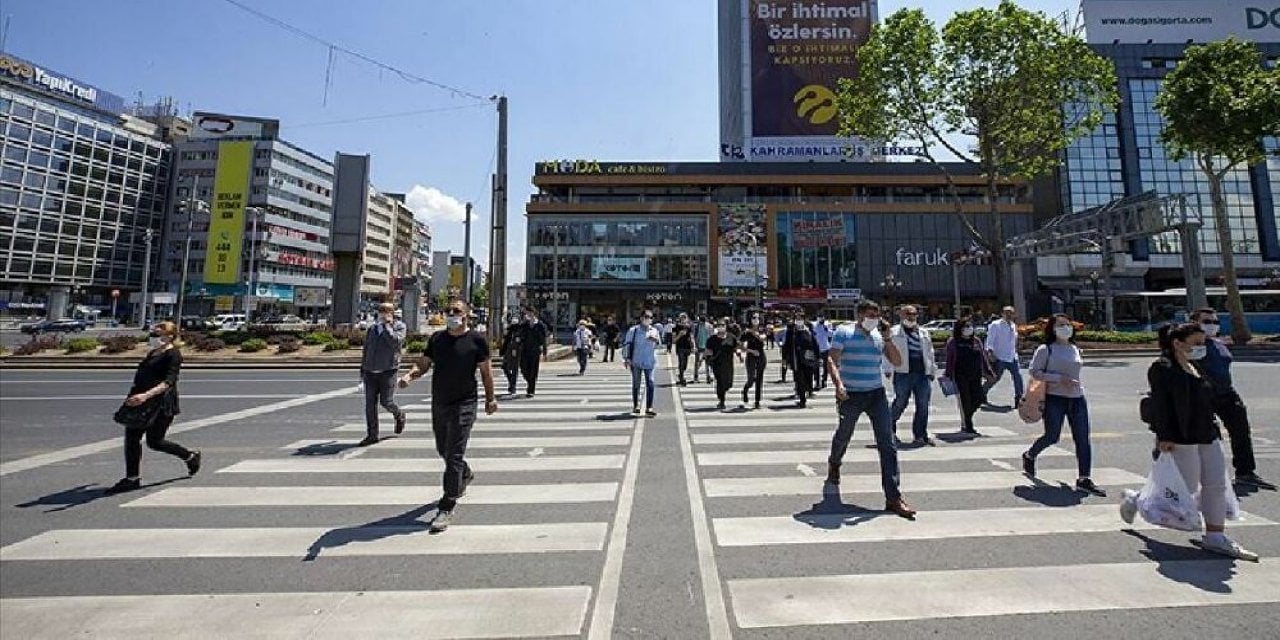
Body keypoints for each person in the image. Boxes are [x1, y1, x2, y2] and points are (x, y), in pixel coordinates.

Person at [1123, 323, 1257, 560]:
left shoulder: (1196, 367)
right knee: (1186, 486)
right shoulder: (1162, 368)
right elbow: (1162, 405)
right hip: (1181, 436)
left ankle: (1216, 536)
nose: (1201, 347)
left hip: (1207, 432)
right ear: (1178, 343)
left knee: (1216, 484)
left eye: (1203, 343)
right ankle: (1138, 499)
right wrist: (1163, 436)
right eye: (1196, 343)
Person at [399, 300, 498, 533]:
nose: (452, 314)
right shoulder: (437, 339)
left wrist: (490, 399)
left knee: (453, 453)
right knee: (443, 449)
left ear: (466, 315)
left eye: (457, 311)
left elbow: (486, 372)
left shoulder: (477, 341)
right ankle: (464, 472)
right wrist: (410, 376)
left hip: (465, 403)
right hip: (440, 401)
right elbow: (424, 363)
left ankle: (446, 506)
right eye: (449, 311)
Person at [825, 300, 916, 518]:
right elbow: (832, 359)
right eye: (870, 314)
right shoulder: (844, 332)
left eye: (877, 314)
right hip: (851, 394)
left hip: (876, 393)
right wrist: (838, 384)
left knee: (888, 443)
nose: (874, 318)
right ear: (859, 315)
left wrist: (887, 338)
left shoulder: (878, 336)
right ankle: (834, 463)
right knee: (844, 434)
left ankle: (893, 497)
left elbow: (896, 360)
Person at [105, 321, 201, 494]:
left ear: (169, 336)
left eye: (157, 335)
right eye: (153, 334)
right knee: (132, 437)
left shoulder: (173, 355)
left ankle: (190, 456)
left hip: (161, 403)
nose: (153, 338)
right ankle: (132, 478)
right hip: (140, 400)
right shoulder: (153, 353)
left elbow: (169, 382)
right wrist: (134, 396)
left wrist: (145, 395)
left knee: (155, 442)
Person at [1021, 314, 1105, 496]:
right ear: (1052, 328)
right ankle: (1030, 455)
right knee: (1052, 436)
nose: (1065, 328)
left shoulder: (1074, 348)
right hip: (1055, 398)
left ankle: (1084, 478)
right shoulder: (1046, 349)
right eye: (1061, 325)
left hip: (1077, 398)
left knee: (1082, 438)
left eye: (1068, 325)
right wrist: (1058, 379)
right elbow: (1034, 371)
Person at [1189, 308, 1274, 489]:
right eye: (1206, 322)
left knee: (1241, 430)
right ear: (1194, 323)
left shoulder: (1219, 344)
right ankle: (1202, 476)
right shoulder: (1192, 346)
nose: (1211, 325)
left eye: (1214, 322)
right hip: (1204, 396)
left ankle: (1245, 472)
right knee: (1206, 437)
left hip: (1227, 393)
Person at [357, 302, 408, 446]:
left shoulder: (399, 327)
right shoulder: (372, 329)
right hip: (370, 372)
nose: (383, 313)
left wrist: (387, 327)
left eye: (386, 310)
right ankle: (372, 435)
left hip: (388, 371)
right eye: (380, 310)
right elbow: (366, 350)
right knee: (370, 405)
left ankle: (399, 415)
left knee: (386, 402)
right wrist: (362, 372)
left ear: (392, 313)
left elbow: (395, 342)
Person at [889, 305, 939, 446]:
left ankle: (920, 435)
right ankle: (888, 430)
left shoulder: (923, 332)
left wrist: (932, 370)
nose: (911, 317)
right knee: (900, 403)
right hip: (903, 373)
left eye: (914, 314)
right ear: (901, 315)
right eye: (908, 314)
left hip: (922, 374)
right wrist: (888, 368)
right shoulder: (894, 332)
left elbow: (930, 352)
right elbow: (887, 350)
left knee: (923, 405)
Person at [943, 317, 994, 437]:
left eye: (970, 326)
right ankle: (968, 425)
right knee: (965, 400)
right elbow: (949, 359)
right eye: (966, 326)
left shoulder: (976, 341)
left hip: (975, 374)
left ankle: (967, 417)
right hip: (960, 375)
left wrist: (989, 371)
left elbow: (983, 357)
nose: (969, 329)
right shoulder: (953, 342)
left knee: (979, 398)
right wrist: (948, 374)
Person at [984, 306, 1024, 408]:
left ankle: (1019, 399)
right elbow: (990, 340)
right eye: (1007, 313)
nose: (1009, 315)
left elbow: (1013, 340)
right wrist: (990, 353)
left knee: (1018, 377)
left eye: (1011, 313)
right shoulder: (995, 325)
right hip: (999, 357)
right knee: (995, 378)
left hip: (1012, 356)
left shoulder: (1013, 325)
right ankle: (980, 395)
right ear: (1002, 314)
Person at [622, 311, 661, 417]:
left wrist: (655, 340)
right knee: (636, 384)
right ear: (641, 318)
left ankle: (649, 407)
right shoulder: (633, 330)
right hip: (636, 361)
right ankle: (636, 405)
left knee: (651, 383)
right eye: (646, 317)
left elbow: (659, 345)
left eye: (650, 317)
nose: (648, 319)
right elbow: (627, 344)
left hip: (650, 361)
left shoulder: (654, 330)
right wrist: (626, 359)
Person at [783, 313, 819, 407]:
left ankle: (808, 390)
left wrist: (818, 356)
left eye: (800, 318)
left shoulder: (808, 329)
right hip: (796, 360)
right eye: (797, 318)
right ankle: (802, 400)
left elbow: (815, 343)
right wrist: (785, 359)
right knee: (799, 380)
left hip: (808, 358)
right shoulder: (792, 331)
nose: (799, 320)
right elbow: (786, 345)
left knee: (808, 378)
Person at [704, 321, 740, 410]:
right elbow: (708, 351)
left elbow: (736, 347)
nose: (721, 327)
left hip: (728, 364)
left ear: (726, 327)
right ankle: (722, 400)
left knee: (728, 383)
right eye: (719, 326)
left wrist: (739, 355)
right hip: (717, 364)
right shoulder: (712, 339)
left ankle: (723, 393)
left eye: (723, 325)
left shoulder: (731, 337)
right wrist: (704, 359)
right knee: (720, 382)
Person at [517, 307, 548, 397]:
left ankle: (531, 390)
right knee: (523, 369)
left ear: (533, 313)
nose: (528, 315)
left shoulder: (540, 325)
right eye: (526, 313)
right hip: (525, 350)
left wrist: (545, 352)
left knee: (533, 370)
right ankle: (529, 381)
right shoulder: (524, 324)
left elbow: (543, 339)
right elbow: (519, 333)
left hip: (535, 350)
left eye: (529, 313)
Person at [740, 323, 767, 409]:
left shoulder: (762, 330)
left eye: (757, 318)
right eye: (754, 318)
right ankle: (745, 390)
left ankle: (757, 401)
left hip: (761, 357)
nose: (756, 321)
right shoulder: (746, 333)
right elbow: (741, 346)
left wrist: (756, 334)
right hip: (751, 357)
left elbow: (763, 338)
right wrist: (751, 351)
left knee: (759, 379)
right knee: (751, 379)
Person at [499, 316, 523, 396]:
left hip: (516, 352)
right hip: (508, 352)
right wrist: (502, 351)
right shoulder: (510, 331)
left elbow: (520, 342)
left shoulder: (520, 332)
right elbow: (506, 341)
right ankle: (511, 382)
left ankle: (513, 386)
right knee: (505, 367)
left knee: (514, 369)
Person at [812, 315, 834, 390]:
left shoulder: (827, 324)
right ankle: (817, 382)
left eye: (822, 317)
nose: (821, 319)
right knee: (816, 366)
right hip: (816, 348)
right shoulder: (814, 325)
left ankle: (824, 380)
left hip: (825, 348)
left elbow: (831, 334)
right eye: (819, 317)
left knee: (825, 366)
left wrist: (826, 329)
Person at [674, 313, 695, 385]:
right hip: (680, 347)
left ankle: (681, 375)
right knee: (681, 363)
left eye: (684, 317)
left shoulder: (689, 327)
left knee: (685, 365)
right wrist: (679, 335)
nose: (683, 319)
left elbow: (692, 337)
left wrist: (693, 346)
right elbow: (673, 340)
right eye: (681, 318)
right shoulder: (676, 327)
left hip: (687, 347)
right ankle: (682, 378)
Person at [693, 315, 712, 383]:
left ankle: (708, 376)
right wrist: (695, 346)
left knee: (707, 362)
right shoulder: (697, 326)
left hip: (707, 346)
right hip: (699, 346)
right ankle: (696, 376)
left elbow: (711, 336)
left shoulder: (709, 326)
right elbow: (694, 336)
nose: (701, 323)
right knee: (697, 362)